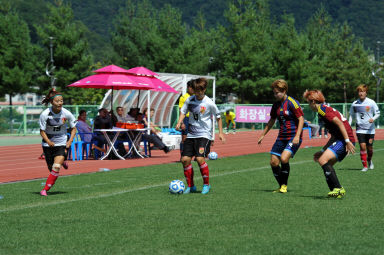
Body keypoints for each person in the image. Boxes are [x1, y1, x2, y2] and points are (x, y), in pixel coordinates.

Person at [176, 78, 226, 195]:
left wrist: (221, 133)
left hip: (204, 135)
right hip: (191, 134)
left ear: (204, 89)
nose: (198, 93)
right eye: (196, 90)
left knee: (199, 159)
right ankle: (190, 186)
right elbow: (183, 111)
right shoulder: (190, 100)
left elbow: (218, 117)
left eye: (200, 90)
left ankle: (206, 184)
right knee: (185, 160)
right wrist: (179, 122)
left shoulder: (209, 103)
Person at [304, 90, 355, 198]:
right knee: (326, 164)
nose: (309, 105)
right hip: (341, 139)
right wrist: (322, 150)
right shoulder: (322, 110)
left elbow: (340, 123)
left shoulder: (323, 111)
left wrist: (347, 141)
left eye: (308, 102)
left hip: (345, 139)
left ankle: (338, 188)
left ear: (313, 101)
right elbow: (334, 136)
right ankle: (336, 192)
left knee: (323, 160)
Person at [257, 79, 304, 193]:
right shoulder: (276, 105)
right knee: (273, 162)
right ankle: (281, 186)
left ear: (284, 91)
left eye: (277, 92)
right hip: (282, 137)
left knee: (284, 158)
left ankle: (284, 186)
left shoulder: (292, 102)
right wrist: (263, 134)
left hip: (293, 136)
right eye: (274, 92)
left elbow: (301, 119)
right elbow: (272, 120)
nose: (275, 95)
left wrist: (297, 136)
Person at [39, 89, 77, 196]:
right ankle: (63, 160)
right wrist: (48, 141)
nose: (60, 103)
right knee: (51, 168)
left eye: (61, 100)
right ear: (52, 102)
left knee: (56, 167)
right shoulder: (45, 114)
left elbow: (74, 128)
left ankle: (45, 189)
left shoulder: (66, 113)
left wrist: (69, 141)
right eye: (57, 101)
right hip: (48, 144)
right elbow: (42, 131)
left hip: (61, 143)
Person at [348, 84, 380, 172]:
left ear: (366, 92)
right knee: (362, 147)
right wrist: (349, 126)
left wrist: (373, 118)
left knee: (370, 148)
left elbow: (378, 113)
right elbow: (351, 115)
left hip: (370, 129)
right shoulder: (354, 104)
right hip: (360, 129)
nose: (361, 93)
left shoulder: (371, 102)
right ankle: (365, 166)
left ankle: (369, 160)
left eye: (363, 91)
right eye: (359, 91)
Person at [178, 79, 195, 155]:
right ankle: (183, 154)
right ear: (188, 87)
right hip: (186, 119)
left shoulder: (196, 97)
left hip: (195, 119)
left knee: (195, 138)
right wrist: (181, 123)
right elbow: (181, 111)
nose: (193, 89)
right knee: (184, 138)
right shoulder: (183, 98)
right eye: (191, 87)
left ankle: (194, 154)